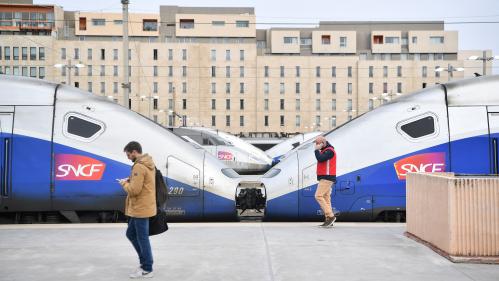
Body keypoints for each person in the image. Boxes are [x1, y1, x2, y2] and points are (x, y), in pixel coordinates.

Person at [119, 141, 157, 279]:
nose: (128, 157)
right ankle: (144, 263)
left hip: (140, 209)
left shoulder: (139, 167)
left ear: (134, 152)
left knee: (142, 238)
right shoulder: (148, 163)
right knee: (131, 234)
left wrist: (124, 183)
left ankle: (147, 268)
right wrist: (130, 180)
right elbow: (144, 183)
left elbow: (134, 191)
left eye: (128, 154)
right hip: (143, 207)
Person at [314, 136, 337, 228]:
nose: (316, 145)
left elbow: (320, 159)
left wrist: (316, 150)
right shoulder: (326, 150)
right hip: (325, 177)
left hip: (327, 178)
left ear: (323, 143)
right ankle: (328, 219)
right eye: (316, 143)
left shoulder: (330, 151)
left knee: (318, 196)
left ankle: (331, 216)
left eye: (318, 143)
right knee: (326, 198)